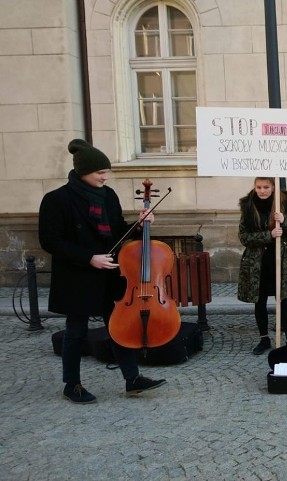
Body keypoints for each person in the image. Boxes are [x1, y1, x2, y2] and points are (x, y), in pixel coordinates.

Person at [39, 139, 167, 404]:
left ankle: (132, 378)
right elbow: (50, 241)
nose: (105, 176)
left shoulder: (108, 196)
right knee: (76, 331)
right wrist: (89, 258)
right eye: (100, 172)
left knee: (118, 326)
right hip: (78, 275)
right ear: (83, 171)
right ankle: (71, 384)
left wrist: (140, 226)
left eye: (106, 171)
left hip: (110, 273)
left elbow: (119, 230)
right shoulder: (56, 200)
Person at [237, 177, 287, 354]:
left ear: (273, 187)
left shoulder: (284, 204)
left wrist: (283, 220)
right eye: (258, 187)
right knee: (260, 302)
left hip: (281, 261)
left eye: (266, 187)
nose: (262, 191)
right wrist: (269, 235)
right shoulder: (248, 206)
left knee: (284, 301)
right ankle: (264, 339)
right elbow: (244, 237)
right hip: (257, 264)